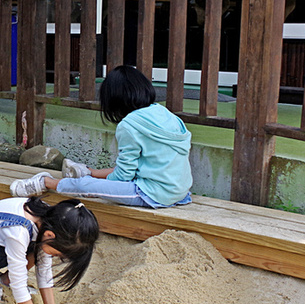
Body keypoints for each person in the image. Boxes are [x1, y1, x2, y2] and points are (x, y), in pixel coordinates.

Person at [10, 65, 193, 208]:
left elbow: (124, 176)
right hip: (180, 190)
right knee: (111, 175)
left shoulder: (129, 125)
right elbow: (139, 166)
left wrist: (97, 184)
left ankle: (46, 182)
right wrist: (97, 175)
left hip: (153, 193)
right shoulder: (166, 114)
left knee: (87, 187)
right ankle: (88, 171)